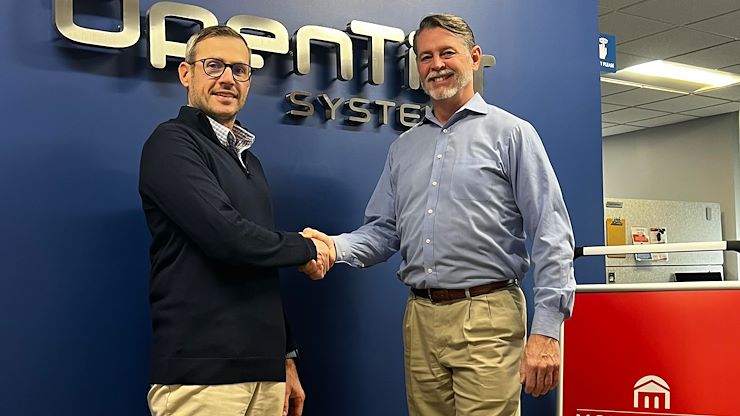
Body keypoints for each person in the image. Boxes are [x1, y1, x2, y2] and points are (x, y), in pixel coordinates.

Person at [303, 14, 576, 415]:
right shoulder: (404, 147)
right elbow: (382, 232)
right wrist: (333, 247)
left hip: (488, 317)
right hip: (420, 319)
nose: (437, 65)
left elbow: (552, 234)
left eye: (447, 52)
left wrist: (547, 332)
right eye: (426, 56)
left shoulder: (512, 134)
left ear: (475, 57)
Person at [139, 25, 330, 416]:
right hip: (202, 376)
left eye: (239, 70)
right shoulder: (171, 143)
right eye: (213, 66)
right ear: (186, 73)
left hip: (265, 374)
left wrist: (285, 356)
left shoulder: (249, 162)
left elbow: (259, 261)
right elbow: (228, 238)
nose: (227, 78)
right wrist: (307, 247)